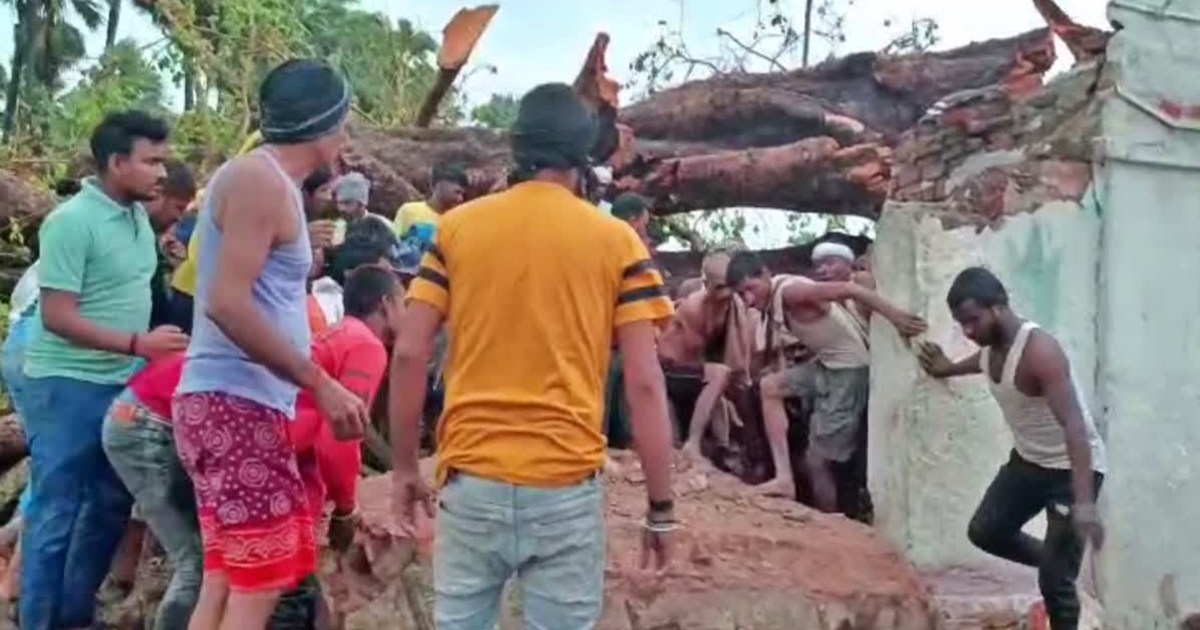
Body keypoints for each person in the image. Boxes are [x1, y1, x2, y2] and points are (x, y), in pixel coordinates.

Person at [389, 82, 677, 630]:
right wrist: (660, 510)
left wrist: (405, 468)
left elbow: (408, 352)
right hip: (564, 486)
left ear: (518, 149)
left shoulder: (458, 227)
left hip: (471, 480)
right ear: (582, 157)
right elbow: (643, 383)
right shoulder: (618, 242)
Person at [173, 59, 368, 630]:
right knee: (258, 583)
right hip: (235, 403)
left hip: (230, 402)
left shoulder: (265, 180)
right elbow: (228, 303)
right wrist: (320, 382)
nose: (348, 133)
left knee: (228, 577)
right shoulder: (259, 180)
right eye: (345, 119)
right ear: (326, 123)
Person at [19, 110, 189, 629]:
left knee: (109, 506)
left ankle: (74, 615)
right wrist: (139, 343)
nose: (162, 172)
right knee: (56, 511)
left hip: (120, 380)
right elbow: (58, 316)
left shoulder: (138, 220)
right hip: (68, 384)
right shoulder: (70, 223)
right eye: (151, 161)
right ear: (117, 163)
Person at [916, 267, 1105, 630]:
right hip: (1029, 463)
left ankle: (1058, 575)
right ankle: (1058, 564)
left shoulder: (1040, 352)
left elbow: (1076, 429)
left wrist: (1083, 504)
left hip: (1072, 469)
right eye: (961, 324)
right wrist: (946, 368)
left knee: (1054, 586)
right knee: (986, 531)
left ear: (998, 307)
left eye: (972, 320)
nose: (968, 331)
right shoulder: (990, 349)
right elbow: (983, 364)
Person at [726, 247, 926, 507]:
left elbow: (849, 290)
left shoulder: (790, 292)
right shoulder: (777, 292)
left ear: (765, 274)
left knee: (816, 461)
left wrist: (896, 318)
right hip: (827, 366)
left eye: (750, 289)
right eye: (742, 295)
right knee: (769, 387)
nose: (748, 299)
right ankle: (784, 477)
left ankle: (833, 521)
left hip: (848, 373)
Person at [657, 251, 739, 462]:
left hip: (687, 368)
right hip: (667, 368)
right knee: (719, 375)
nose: (726, 292)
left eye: (730, 285)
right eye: (719, 287)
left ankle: (724, 452)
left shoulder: (730, 305)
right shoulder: (695, 307)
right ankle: (692, 443)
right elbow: (695, 356)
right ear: (707, 283)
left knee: (720, 388)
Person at [392, 161, 469, 247]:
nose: (460, 199)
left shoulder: (457, 220)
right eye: (457, 192)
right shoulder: (409, 211)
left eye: (462, 194)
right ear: (439, 186)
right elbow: (393, 244)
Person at [331, 171, 390, 244]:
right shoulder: (333, 229)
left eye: (347, 203)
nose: (342, 209)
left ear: (362, 204)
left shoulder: (381, 225)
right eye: (340, 203)